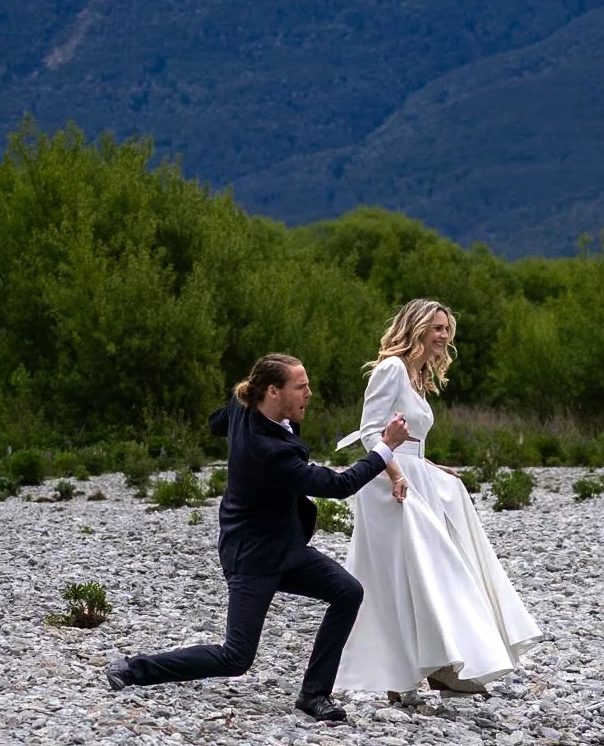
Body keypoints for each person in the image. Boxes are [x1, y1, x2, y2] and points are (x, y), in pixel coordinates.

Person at [105, 353, 411, 723]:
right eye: (301, 387)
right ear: (272, 391)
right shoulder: (269, 452)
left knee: (348, 591)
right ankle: (132, 669)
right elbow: (338, 484)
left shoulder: (245, 406)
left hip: (286, 546)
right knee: (236, 657)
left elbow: (215, 421)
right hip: (252, 555)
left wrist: (233, 426)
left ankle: (314, 694)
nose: (309, 394)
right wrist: (385, 447)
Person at [335, 299, 539, 700]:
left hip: (413, 475)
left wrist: (430, 466)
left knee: (426, 569)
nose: (444, 336)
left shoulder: (418, 375)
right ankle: (413, 671)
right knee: (412, 573)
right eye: (438, 328)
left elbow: (411, 442)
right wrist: (397, 472)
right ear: (418, 328)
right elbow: (370, 431)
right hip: (387, 482)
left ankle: (437, 664)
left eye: (447, 329)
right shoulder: (392, 368)